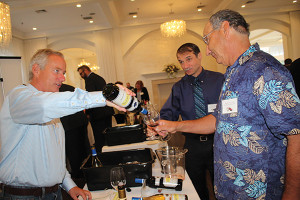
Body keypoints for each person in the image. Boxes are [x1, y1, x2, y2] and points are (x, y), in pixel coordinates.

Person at [155, 9, 300, 200]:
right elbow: (218, 120)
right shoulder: (234, 73)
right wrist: (174, 125)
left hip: (259, 193)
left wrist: (292, 192)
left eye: (207, 39)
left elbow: (296, 135)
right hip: (231, 190)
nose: (207, 50)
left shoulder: (265, 71)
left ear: (224, 29)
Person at [0, 49, 130, 200]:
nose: (62, 78)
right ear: (36, 69)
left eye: (64, 72)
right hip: (21, 196)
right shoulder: (19, 97)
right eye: (57, 71)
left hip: (54, 194)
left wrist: (69, 185)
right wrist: (103, 97)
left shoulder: (52, 107)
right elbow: (43, 106)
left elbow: (55, 156)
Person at [160, 43, 224, 200]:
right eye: (181, 61)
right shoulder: (178, 88)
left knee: (222, 188)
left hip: (219, 142)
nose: (185, 65)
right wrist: (159, 125)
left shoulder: (219, 80)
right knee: (196, 189)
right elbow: (168, 114)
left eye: (189, 59)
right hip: (192, 145)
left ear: (199, 56)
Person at [77, 65, 114, 152]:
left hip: (98, 114)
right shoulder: (99, 78)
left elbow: (90, 97)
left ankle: (101, 157)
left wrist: (87, 113)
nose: (81, 76)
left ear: (85, 70)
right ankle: (110, 153)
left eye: (81, 73)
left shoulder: (89, 80)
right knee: (107, 136)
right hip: (106, 111)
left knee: (99, 137)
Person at [59, 83, 89, 180]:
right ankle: (84, 170)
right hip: (80, 121)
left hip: (70, 124)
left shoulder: (55, 90)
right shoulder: (69, 87)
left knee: (73, 151)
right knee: (81, 147)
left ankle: (77, 174)